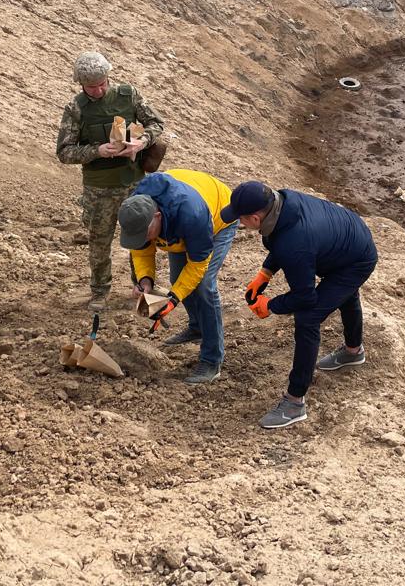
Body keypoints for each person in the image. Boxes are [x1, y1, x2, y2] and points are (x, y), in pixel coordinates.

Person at [221, 181, 377, 429]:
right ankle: (353, 351)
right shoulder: (282, 202)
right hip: (347, 240)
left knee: (308, 318)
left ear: (254, 217)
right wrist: (265, 273)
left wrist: (270, 305)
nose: (239, 223)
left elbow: (305, 297)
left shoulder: (295, 241)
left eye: (241, 219)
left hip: (355, 260)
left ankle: (294, 403)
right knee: (344, 295)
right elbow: (278, 237)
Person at [55, 51, 164, 311]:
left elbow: (156, 123)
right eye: (92, 87)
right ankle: (100, 291)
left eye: (103, 83)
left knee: (142, 235)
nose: (99, 90)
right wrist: (97, 151)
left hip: (133, 183)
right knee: (99, 241)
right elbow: (64, 152)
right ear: (80, 84)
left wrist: (140, 142)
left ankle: (142, 284)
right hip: (99, 188)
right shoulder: (76, 108)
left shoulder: (129, 95)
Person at [115, 169, 237, 385]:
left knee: (204, 286)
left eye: (144, 234)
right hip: (177, 222)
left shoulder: (192, 216)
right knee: (177, 277)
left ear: (157, 217)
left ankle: (212, 360)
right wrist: (145, 280)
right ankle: (197, 326)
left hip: (218, 216)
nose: (141, 238)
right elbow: (141, 250)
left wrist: (173, 300)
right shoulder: (137, 209)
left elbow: (197, 266)